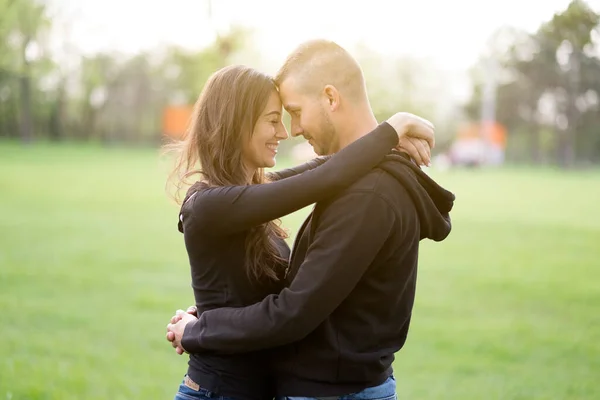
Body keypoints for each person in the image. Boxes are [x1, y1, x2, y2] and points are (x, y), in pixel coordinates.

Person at [164, 61, 435, 400]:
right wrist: (393, 129)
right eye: (273, 120)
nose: (283, 132)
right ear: (236, 123)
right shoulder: (208, 205)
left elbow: (325, 167)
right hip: (218, 390)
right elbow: (325, 178)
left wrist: (203, 322)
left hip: (260, 388)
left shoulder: (254, 192)